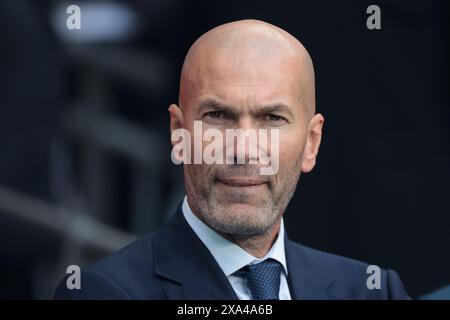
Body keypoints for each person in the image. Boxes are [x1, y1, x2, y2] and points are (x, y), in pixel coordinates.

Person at [54, 19, 410, 300]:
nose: (243, 148)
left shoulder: (373, 291)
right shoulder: (107, 292)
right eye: (218, 116)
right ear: (178, 134)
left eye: (272, 118)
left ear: (311, 144)